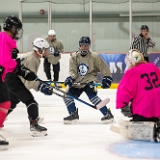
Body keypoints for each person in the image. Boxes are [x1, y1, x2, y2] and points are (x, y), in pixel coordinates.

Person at [0, 15, 37, 150]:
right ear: (13, 28)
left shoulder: (5, 39)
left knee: (5, 102)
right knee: (5, 102)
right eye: (17, 29)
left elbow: (6, 62)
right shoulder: (4, 38)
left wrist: (19, 68)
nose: (18, 32)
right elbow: (4, 61)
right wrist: (19, 69)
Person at [5, 38, 53, 137]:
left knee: (13, 102)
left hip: (11, 78)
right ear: (40, 50)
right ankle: (34, 125)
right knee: (31, 102)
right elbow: (28, 82)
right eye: (45, 49)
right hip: (14, 80)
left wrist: (39, 83)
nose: (47, 51)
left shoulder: (32, 56)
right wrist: (41, 87)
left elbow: (30, 76)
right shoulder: (33, 59)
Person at [63, 36, 114, 124]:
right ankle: (73, 114)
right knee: (67, 96)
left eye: (86, 46)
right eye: (82, 45)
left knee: (93, 97)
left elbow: (104, 68)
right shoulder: (74, 57)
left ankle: (107, 114)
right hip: (78, 82)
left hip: (89, 80)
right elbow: (73, 72)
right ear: (79, 46)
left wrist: (107, 78)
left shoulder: (94, 56)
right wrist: (71, 78)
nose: (84, 47)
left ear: (89, 46)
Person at [116, 49, 160, 142]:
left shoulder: (132, 72)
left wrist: (123, 106)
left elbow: (124, 91)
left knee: (140, 114)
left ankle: (151, 128)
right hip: (158, 107)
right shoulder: (152, 66)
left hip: (143, 111)